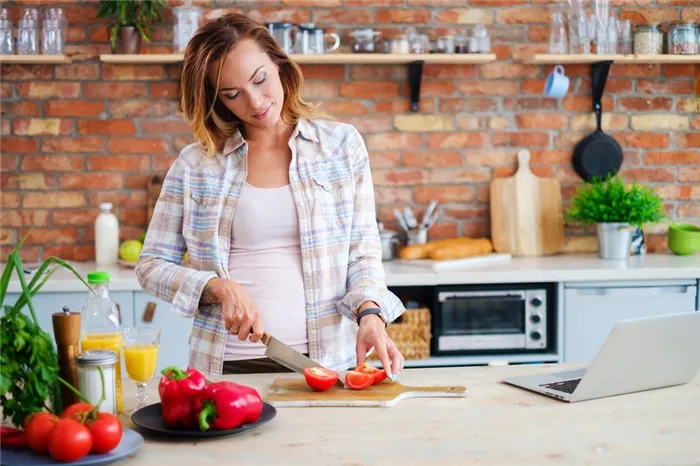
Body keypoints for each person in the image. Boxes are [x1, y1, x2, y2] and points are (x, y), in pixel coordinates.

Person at [135, 13, 406, 379]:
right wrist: (216, 287)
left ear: (279, 65)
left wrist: (371, 314)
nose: (256, 101)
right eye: (233, 94)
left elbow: (362, 252)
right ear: (218, 101)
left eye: (260, 80)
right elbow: (151, 265)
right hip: (225, 363)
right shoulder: (197, 165)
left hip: (325, 362)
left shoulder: (340, 146)